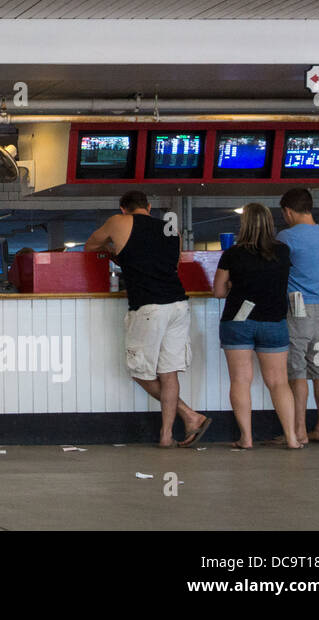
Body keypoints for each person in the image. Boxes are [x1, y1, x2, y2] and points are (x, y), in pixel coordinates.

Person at [85, 190, 210, 447]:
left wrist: (113, 250)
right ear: (149, 207)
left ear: (123, 208)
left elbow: (90, 246)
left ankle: (188, 414)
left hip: (149, 306)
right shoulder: (171, 231)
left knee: (140, 371)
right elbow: (169, 266)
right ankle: (166, 435)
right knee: (168, 373)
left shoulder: (118, 222)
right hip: (178, 304)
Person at [213, 203, 301, 449]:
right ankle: (292, 439)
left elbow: (218, 291)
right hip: (273, 321)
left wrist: (234, 286)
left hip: (238, 322)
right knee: (279, 382)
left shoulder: (232, 254)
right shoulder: (283, 251)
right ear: (270, 223)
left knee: (241, 381)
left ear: (244, 224)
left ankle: (247, 439)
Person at [277, 188, 319, 445]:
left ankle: (299, 430)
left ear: (288, 211)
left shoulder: (286, 237)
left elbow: (276, 269)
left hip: (295, 308)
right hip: (318, 309)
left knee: (297, 370)